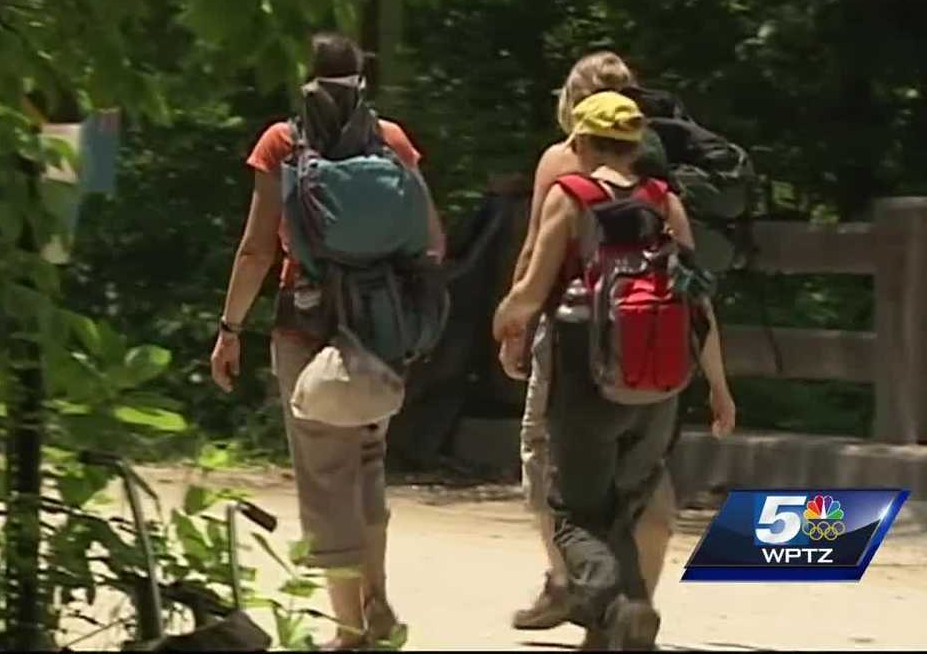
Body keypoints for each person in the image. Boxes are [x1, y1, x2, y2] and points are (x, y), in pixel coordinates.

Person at [209, 32, 446, 650]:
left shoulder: (282, 142)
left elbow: (257, 249)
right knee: (366, 461)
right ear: (363, 78)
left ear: (306, 77)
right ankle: (376, 600)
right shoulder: (391, 141)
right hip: (381, 328)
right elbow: (432, 240)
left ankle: (349, 628)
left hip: (307, 325)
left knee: (324, 472)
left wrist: (229, 329)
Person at [503, 51, 736, 632]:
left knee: (571, 509)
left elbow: (532, 281)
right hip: (660, 374)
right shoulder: (665, 197)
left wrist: (508, 324)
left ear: (581, 138)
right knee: (635, 496)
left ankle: (604, 601)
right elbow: (698, 301)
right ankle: (629, 615)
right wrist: (718, 386)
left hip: (585, 367)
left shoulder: (569, 189)